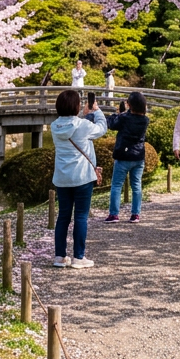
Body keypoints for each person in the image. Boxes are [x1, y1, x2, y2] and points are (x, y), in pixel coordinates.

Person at [50, 88, 107, 268]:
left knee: (63, 216)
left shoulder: (54, 126)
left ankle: (60, 257)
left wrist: (83, 116)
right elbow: (102, 129)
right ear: (76, 106)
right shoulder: (82, 125)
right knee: (80, 217)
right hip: (82, 176)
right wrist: (96, 111)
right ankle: (78, 258)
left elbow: (71, 126)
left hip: (62, 178)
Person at [104, 91, 150, 222]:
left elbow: (112, 124)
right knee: (136, 185)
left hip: (123, 156)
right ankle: (135, 214)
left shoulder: (124, 118)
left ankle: (114, 214)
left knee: (117, 185)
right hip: (138, 157)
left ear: (129, 104)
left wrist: (118, 114)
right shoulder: (145, 120)